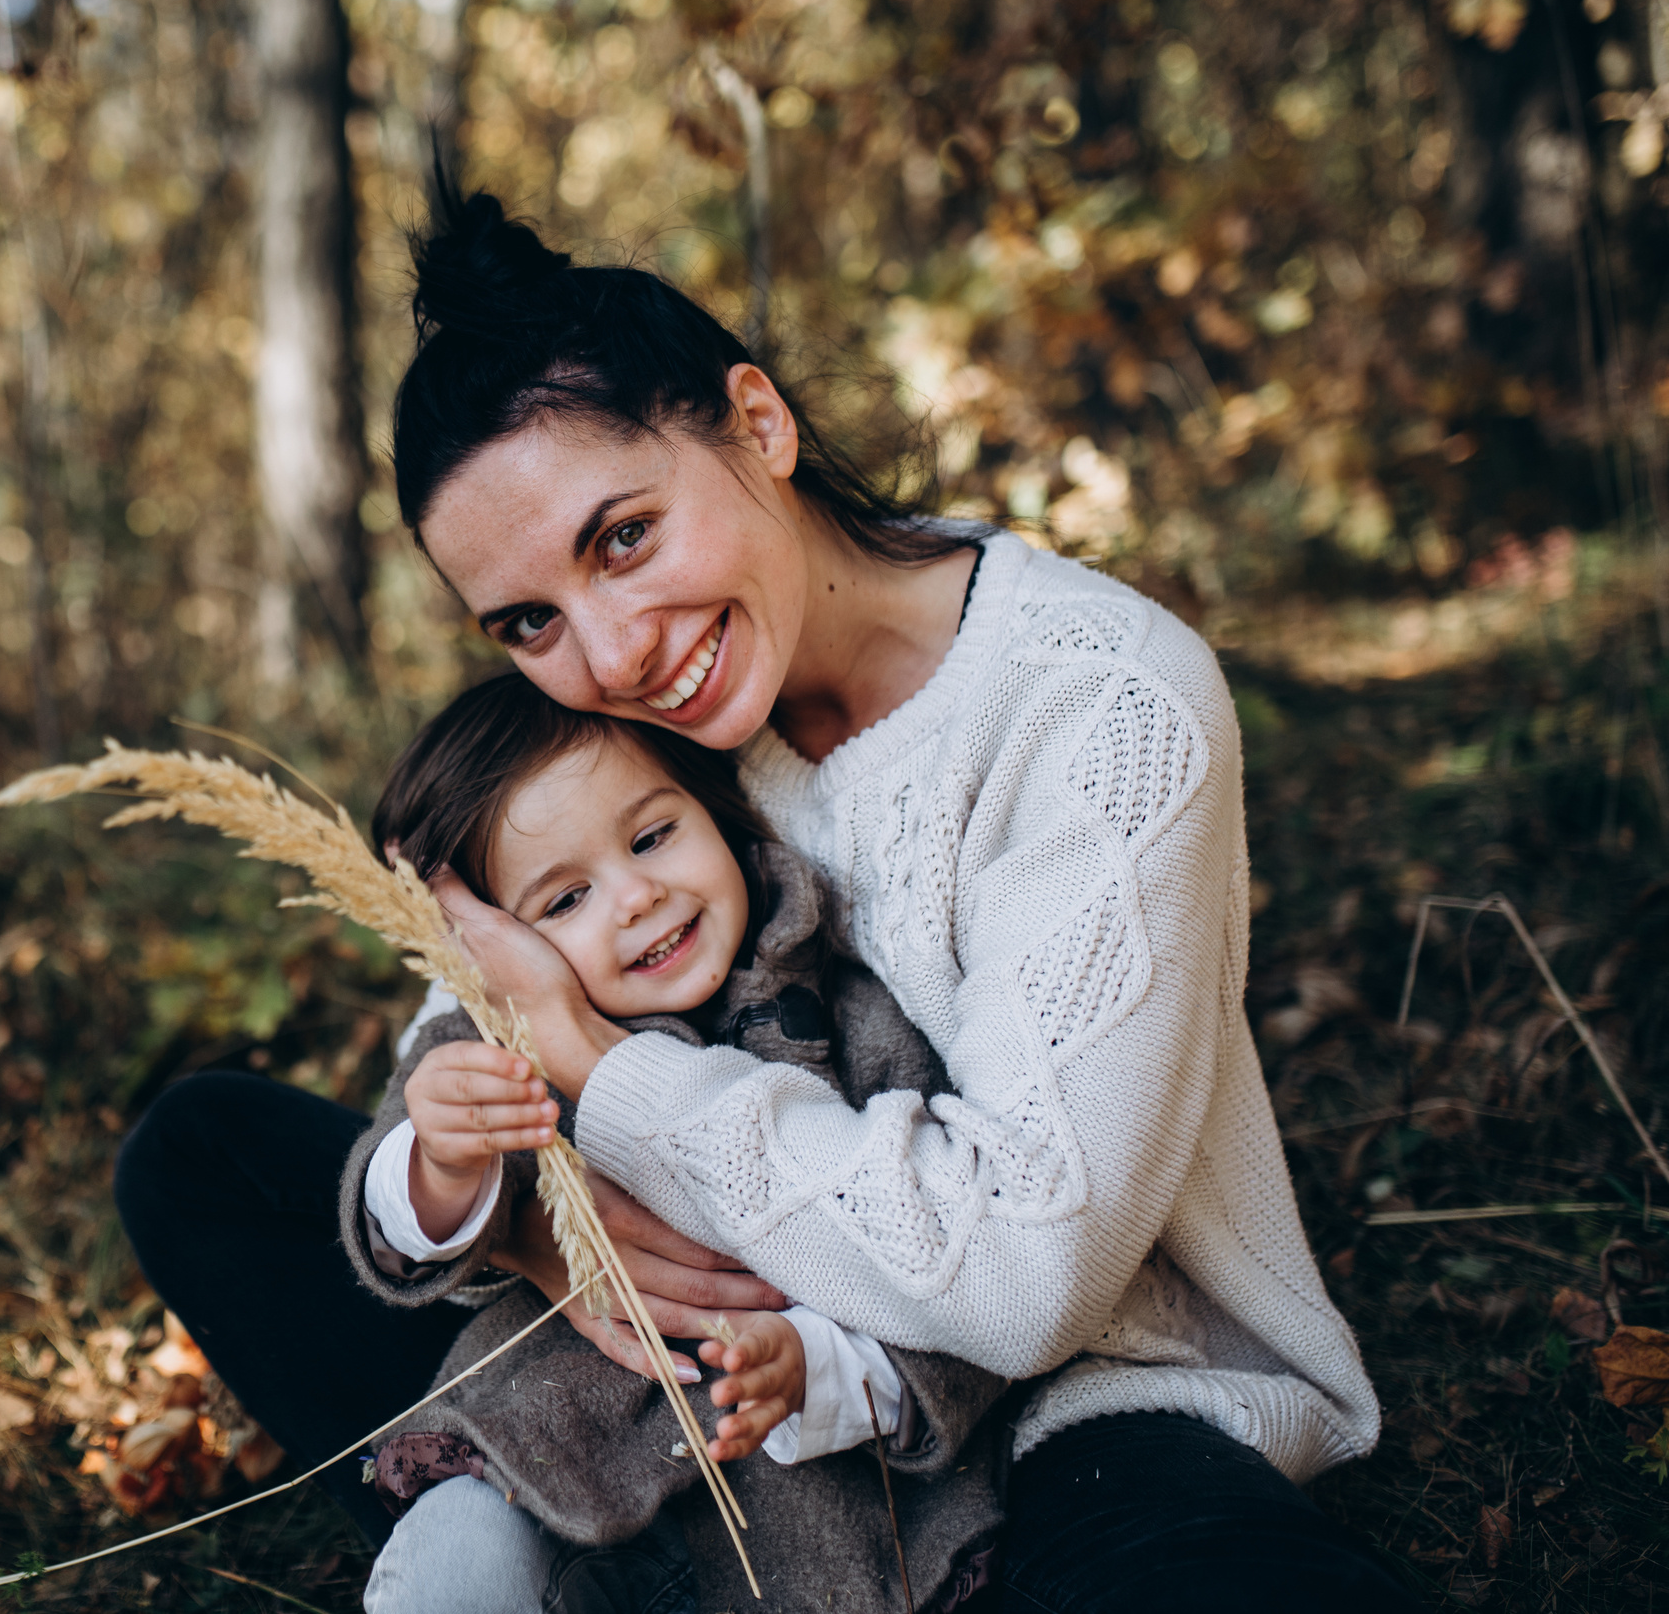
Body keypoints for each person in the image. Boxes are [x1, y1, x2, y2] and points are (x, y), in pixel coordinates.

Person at [116, 179, 1412, 1612]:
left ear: (758, 423)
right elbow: (482, 1020)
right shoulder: (637, 725)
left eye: (624, 536)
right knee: (199, 1153)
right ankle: (565, 1535)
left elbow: (1027, 1279)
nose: (612, 652)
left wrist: (606, 1079)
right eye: (527, 620)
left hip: (1069, 1396)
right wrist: (545, 1228)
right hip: (676, 1388)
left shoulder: (1102, 707)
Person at [347, 672, 1006, 1614]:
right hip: (549, 1472)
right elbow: (395, 1215)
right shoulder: (492, 1040)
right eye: (565, 899)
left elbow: (961, 1281)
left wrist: (816, 1364)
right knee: (458, 1562)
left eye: (653, 836)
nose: (637, 895)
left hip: (811, 1534)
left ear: (716, 809)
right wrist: (443, 1159)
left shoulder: (865, 1025)